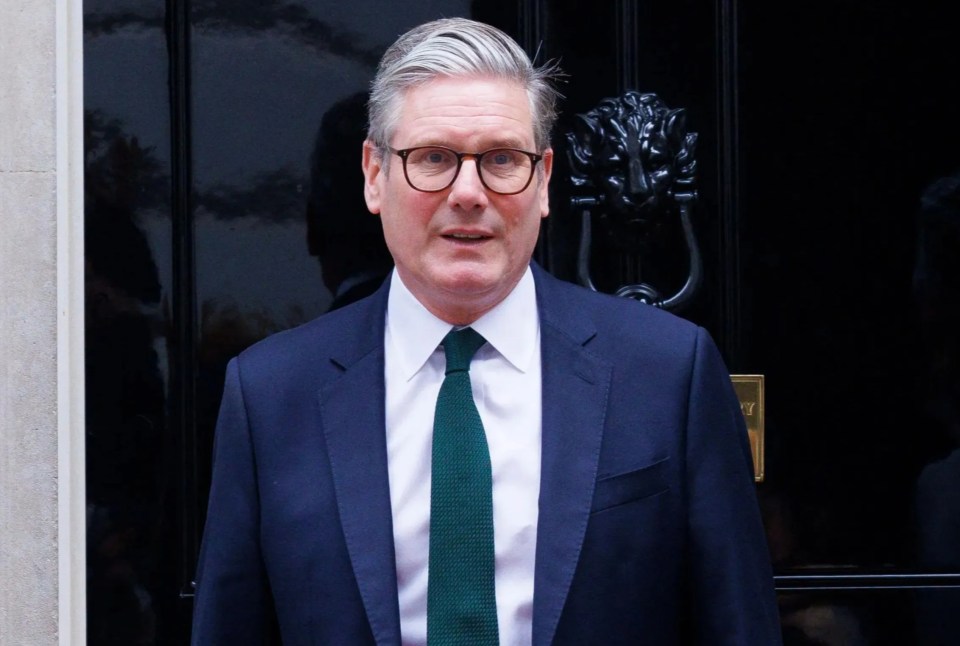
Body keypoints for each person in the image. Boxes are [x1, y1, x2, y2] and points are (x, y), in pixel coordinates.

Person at [192, 17, 782, 645]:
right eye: (434, 158)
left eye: (502, 159)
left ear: (545, 178)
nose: (468, 192)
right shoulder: (271, 395)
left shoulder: (668, 373)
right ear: (374, 174)